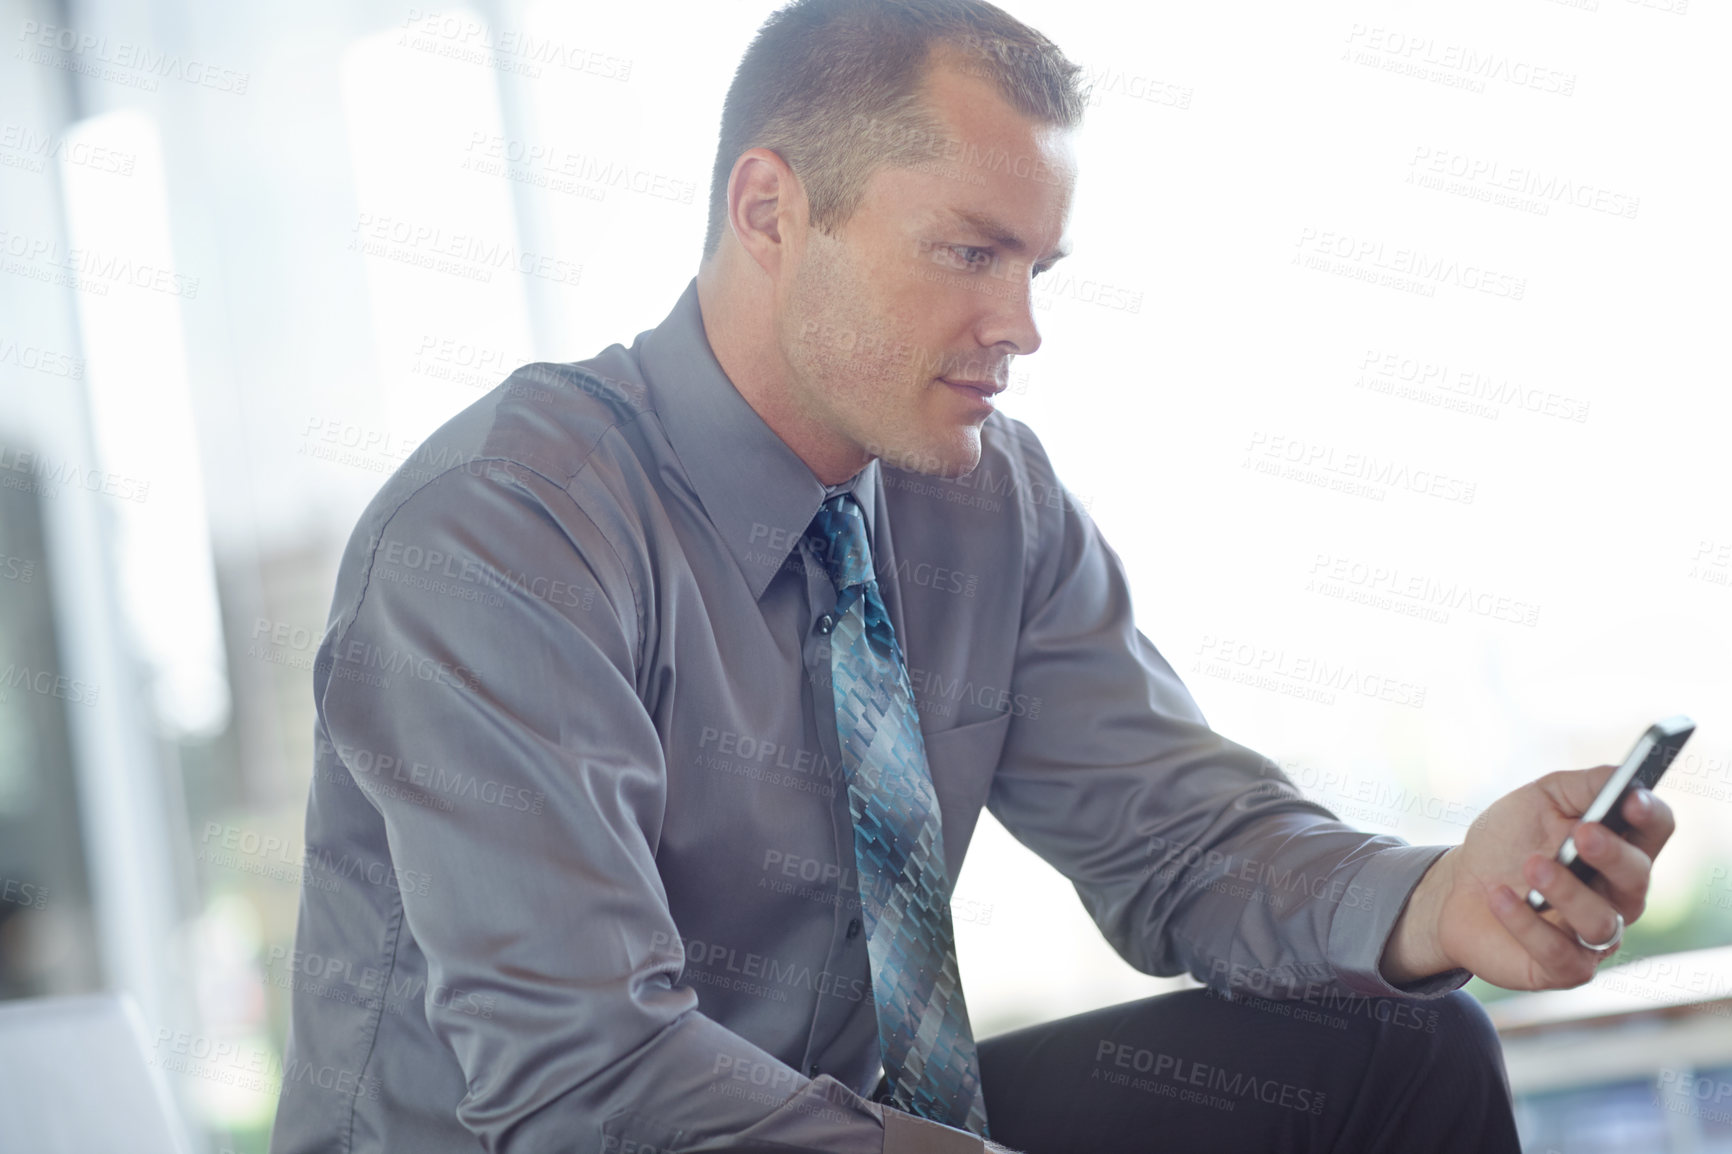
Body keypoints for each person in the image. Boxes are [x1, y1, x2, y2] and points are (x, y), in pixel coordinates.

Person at [269, 2, 1676, 1151]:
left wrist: (1443, 898)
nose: (1021, 325)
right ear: (771, 210)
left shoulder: (983, 501)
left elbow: (1179, 845)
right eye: (968, 252)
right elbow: (583, 1082)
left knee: (1402, 1051)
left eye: (1039, 265)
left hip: (857, 1122)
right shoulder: (505, 534)